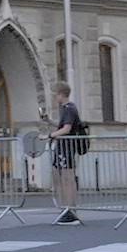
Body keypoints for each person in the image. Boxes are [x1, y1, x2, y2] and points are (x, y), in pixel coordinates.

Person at [49, 83, 88, 226]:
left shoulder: (69, 108)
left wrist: (49, 135)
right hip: (63, 148)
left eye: (55, 94)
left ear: (61, 94)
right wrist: (49, 121)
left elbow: (66, 129)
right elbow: (63, 126)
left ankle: (70, 211)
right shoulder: (66, 109)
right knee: (61, 178)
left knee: (67, 179)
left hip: (67, 148)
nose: (54, 97)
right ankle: (66, 209)